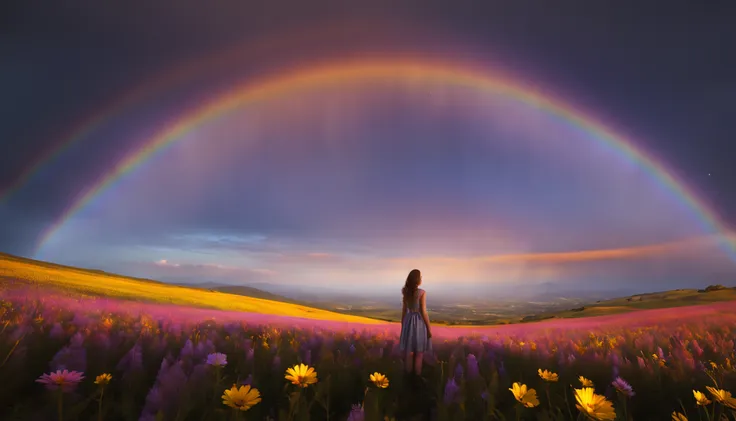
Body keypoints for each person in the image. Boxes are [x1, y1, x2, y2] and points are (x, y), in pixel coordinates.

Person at [399, 268, 432, 383]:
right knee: (419, 352)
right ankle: (417, 379)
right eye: (420, 277)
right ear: (417, 280)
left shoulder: (405, 292)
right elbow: (424, 312)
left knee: (409, 352)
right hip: (418, 322)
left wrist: (403, 326)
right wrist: (428, 329)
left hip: (408, 321)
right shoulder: (422, 293)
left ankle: (407, 378)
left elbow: (404, 311)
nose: (422, 279)